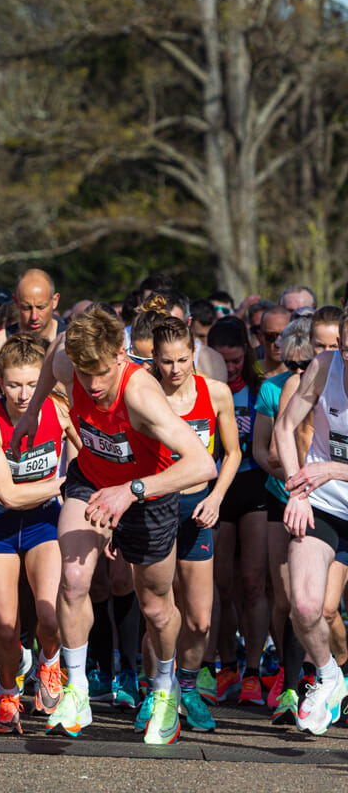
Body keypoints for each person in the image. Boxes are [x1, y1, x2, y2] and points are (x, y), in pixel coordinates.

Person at [10, 304, 215, 744]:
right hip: (93, 481)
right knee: (73, 579)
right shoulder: (70, 360)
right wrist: (33, 410)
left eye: (102, 372)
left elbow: (203, 464)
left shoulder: (141, 395)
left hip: (149, 497)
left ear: (121, 356)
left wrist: (133, 490)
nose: (94, 385)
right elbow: (52, 360)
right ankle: (77, 688)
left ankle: (163, 689)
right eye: (85, 375)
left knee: (156, 607)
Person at [138, 313, 241, 733]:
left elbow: (232, 453)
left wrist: (216, 497)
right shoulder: (144, 395)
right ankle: (156, 690)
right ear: (154, 361)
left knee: (199, 618)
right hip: (154, 509)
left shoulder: (215, 394)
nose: (176, 370)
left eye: (182, 360)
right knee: (159, 612)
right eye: (166, 362)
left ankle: (187, 686)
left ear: (193, 353)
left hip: (199, 508)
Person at [0, 334, 78, 733]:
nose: (22, 395)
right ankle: (7, 692)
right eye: (14, 384)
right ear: (0, 382)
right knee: (4, 626)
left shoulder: (57, 409)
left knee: (49, 616)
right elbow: (7, 494)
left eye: (31, 384)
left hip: (44, 523)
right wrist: (65, 484)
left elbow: (87, 454)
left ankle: (50, 664)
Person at [273, 310, 348, 734]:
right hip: (325, 504)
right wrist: (296, 489)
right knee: (303, 604)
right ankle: (327, 675)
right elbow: (285, 428)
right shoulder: (324, 366)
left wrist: (334, 470)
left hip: (331, 480)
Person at [204, 315, 270, 703]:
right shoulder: (205, 391)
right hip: (215, 488)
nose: (230, 369)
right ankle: (226, 663)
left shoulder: (258, 389)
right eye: (222, 362)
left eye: (235, 361)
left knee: (253, 582)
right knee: (221, 585)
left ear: (246, 353)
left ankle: (254, 670)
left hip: (252, 485)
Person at [252, 318, 315, 724]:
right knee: (286, 597)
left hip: (325, 498)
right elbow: (265, 450)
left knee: (314, 601)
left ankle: (311, 676)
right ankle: (290, 678)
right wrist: (294, 480)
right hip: (284, 496)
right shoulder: (275, 387)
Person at [0, 269, 63, 370]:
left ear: (55, 301)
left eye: (41, 307)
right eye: (26, 308)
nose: (34, 316)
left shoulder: (70, 340)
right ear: (16, 302)